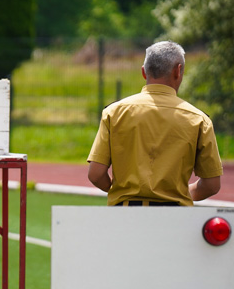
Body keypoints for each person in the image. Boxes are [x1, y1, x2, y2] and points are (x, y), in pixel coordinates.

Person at [87, 40, 222, 206]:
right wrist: (181, 195)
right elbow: (211, 184)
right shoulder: (199, 120)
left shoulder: (114, 112)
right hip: (174, 216)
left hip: (124, 214)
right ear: (178, 71)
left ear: (144, 72)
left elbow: (96, 174)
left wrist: (120, 192)